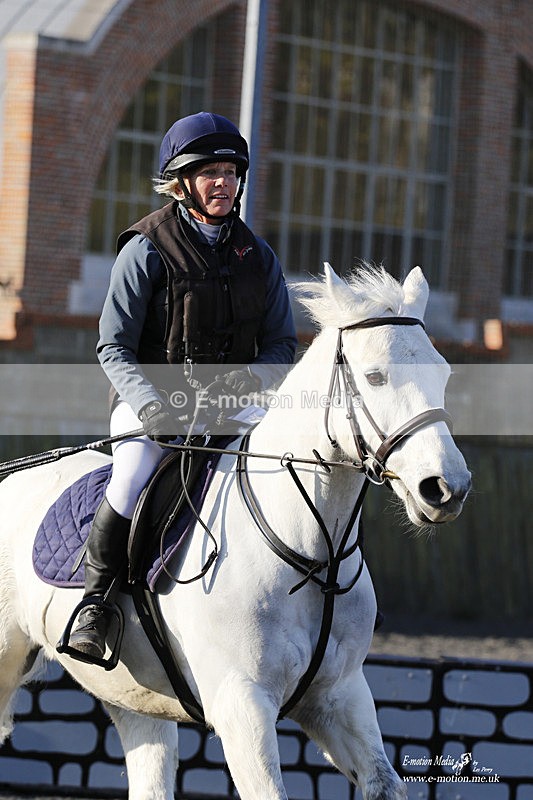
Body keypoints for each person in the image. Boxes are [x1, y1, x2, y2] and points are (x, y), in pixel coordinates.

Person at [68, 111, 297, 660]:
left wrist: (246, 388)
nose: (223, 182)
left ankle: (316, 587)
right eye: (209, 172)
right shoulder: (146, 248)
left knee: (295, 460)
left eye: (231, 171)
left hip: (232, 406)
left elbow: (281, 346)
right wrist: (149, 406)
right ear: (182, 182)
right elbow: (112, 345)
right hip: (151, 404)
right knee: (131, 476)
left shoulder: (258, 257)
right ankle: (97, 603)